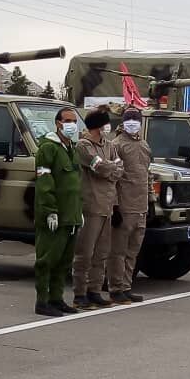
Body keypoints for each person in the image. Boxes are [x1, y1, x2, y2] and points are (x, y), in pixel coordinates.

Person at [33, 107, 83, 317]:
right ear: (58, 123)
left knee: (64, 261)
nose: (72, 124)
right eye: (68, 121)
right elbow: (45, 183)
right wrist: (50, 211)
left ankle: (57, 298)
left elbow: (75, 184)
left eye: (74, 121)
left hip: (70, 215)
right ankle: (42, 301)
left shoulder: (71, 148)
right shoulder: (48, 148)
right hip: (55, 215)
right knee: (47, 259)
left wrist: (78, 212)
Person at [72, 109, 122, 310]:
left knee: (101, 253)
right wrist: (110, 169)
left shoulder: (109, 145)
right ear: (98, 126)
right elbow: (98, 167)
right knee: (85, 252)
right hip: (91, 205)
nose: (107, 128)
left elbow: (119, 168)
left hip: (107, 206)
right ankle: (80, 293)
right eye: (105, 124)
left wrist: (109, 168)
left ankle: (94, 291)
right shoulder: (83, 146)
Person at [107, 108, 152, 302]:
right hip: (124, 206)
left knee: (133, 251)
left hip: (141, 207)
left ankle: (126, 286)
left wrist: (151, 201)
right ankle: (115, 288)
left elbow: (148, 175)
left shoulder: (144, 145)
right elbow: (113, 179)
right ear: (123, 122)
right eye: (129, 119)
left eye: (136, 119)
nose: (133, 122)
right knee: (118, 251)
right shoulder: (116, 145)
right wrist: (115, 206)